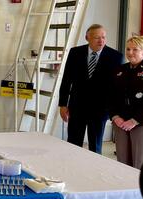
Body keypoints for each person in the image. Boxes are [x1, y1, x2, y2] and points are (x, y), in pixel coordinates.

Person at [58, 24, 124, 154]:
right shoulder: (75, 53)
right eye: (96, 38)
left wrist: (114, 111)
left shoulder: (116, 57)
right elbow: (66, 80)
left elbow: (117, 88)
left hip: (100, 109)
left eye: (103, 37)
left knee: (95, 146)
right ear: (87, 38)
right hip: (77, 107)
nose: (101, 41)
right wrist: (62, 104)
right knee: (73, 143)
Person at [109, 36, 143, 169]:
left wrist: (135, 121)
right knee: (122, 161)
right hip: (120, 121)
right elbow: (110, 97)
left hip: (140, 123)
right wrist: (115, 116)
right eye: (128, 49)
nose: (130, 52)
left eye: (135, 49)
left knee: (138, 161)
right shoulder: (119, 70)